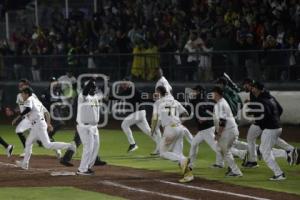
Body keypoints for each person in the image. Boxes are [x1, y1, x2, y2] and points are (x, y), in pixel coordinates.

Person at [13, 87, 76, 170]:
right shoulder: (36, 101)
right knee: (28, 143)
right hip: (38, 125)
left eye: (23, 93)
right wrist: (48, 124)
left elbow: (28, 109)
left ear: (27, 94)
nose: (22, 95)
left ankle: (70, 146)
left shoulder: (29, 100)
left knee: (47, 145)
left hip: (38, 125)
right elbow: (46, 112)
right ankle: (24, 164)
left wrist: (17, 118)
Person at [242, 79, 298, 168]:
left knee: (261, 147)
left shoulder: (258, 95)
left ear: (252, 86)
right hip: (267, 123)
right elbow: (279, 109)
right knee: (271, 139)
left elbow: (261, 109)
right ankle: (291, 150)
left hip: (262, 122)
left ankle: (254, 161)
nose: (245, 87)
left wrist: (270, 120)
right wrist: (274, 119)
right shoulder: (266, 94)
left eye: (245, 85)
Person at [251, 82, 296, 180]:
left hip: (270, 129)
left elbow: (264, 114)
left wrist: (263, 122)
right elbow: (280, 109)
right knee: (263, 150)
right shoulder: (270, 97)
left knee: (265, 154)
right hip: (277, 127)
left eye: (254, 88)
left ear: (259, 89)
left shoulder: (260, 100)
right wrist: (275, 119)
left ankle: (279, 174)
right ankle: (288, 153)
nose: (252, 89)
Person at [179, 85, 223, 183]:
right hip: (204, 129)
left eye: (194, 91)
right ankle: (191, 164)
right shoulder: (205, 99)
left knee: (216, 147)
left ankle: (239, 155)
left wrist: (204, 117)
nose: (193, 92)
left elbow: (210, 113)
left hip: (206, 129)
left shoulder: (200, 100)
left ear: (199, 92)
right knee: (194, 144)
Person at [14, 79, 61, 158]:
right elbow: (21, 107)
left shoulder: (32, 96)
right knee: (22, 132)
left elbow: (39, 107)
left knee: (41, 138)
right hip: (27, 119)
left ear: (26, 86)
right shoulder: (19, 96)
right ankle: (27, 151)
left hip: (34, 118)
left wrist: (48, 122)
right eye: (19, 85)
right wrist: (13, 110)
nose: (20, 86)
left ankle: (57, 149)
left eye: (22, 85)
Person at [151, 86, 190, 175]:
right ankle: (188, 174)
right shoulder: (174, 101)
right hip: (180, 129)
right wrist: (179, 122)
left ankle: (183, 160)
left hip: (170, 130)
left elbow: (154, 118)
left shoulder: (157, 103)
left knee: (163, 152)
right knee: (178, 153)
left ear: (159, 92)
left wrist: (152, 130)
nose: (155, 94)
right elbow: (186, 114)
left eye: (156, 92)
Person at [117, 80, 160, 154]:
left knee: (124, 124)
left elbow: (144, 95)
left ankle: (133, 144)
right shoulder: (130, 90)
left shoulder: (132, 89)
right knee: (148, 131)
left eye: (125, 83)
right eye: (122, 84)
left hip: (139, 113)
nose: (123, 85)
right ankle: (161, 145)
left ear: (129, 83)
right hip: (140, 113)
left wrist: (156, 97)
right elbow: (117, 96)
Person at [211, 86, 243, 177]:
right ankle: (232, 167)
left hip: (228, 131)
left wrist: (218, 134)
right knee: (222, 150)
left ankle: (236, 171)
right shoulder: (220, 103)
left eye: (213, 93)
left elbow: (222, 121)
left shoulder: (221, 104)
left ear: (217, 93)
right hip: (229, 130)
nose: (211, 95)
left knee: (226, 151)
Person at [76, 78, 103, 175]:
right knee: (88, 147)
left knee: (95, 147)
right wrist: (91, 81)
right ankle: (82, 169)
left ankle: (87, 167)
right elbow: (85, 91)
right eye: (93, 87)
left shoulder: (95, 96)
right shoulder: (83, 97)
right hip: (85, 126)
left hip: (94, 127)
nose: (94, 88)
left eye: (95, 87)